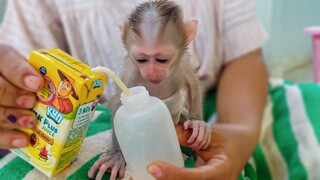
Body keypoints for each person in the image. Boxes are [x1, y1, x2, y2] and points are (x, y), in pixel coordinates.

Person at [0, 0, 268, 179]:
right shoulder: (127, 73)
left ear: (187, 37)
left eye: (162, 59)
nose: (150, 72)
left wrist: (199, 122)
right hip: (110, 120)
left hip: (192, 117)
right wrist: (117, 151)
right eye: (141, 59)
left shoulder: (185, 66)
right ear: (124, 39)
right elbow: (117, 104)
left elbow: (194, 88)